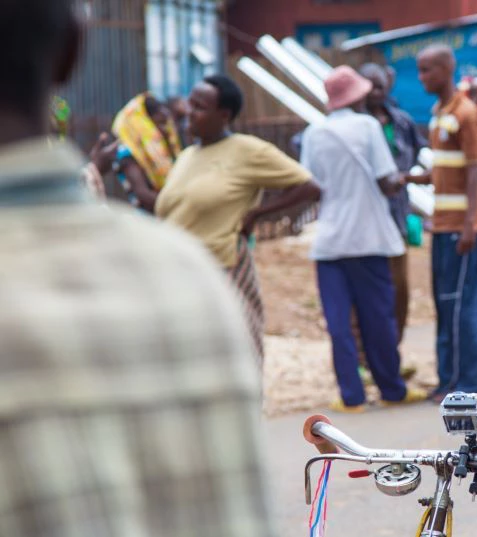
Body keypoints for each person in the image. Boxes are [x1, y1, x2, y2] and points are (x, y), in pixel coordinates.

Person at [0, 2, 277, 535]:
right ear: (74, 50)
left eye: (196, 108)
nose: (186, 116)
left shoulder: (230, 161)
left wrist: (251, 217)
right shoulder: (186, 282)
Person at [156, 75, 321, 363]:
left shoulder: (248, 151)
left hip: (221, 271)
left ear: (224, 115)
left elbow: (309, 187)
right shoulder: (186, 157)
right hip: (178, 277)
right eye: (189, 102)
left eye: (200, 106)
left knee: (233, 359)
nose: (188, 111)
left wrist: (256, 213)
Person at [301, 66, 426, 412]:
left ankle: (351, 397)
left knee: (340, 323)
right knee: (379, 318)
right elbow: (387, 182)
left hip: (329, 241)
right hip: (369, 237)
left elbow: (311, 186)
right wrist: (407, 180)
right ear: (357, 96)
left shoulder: (314, 133)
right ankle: (391, 390)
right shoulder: (369, 127)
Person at [409, 44, 477, 400]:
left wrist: (471, 223)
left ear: (446, 69)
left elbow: (475, 171)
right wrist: (411, 180)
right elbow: (446, 169)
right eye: (420, 70)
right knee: (445, 304)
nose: (422, 77)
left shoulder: (466, 113)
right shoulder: (438, 111)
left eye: (427, 70)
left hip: (463, 227)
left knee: (460, 305)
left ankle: (468, 383)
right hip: (442, 225)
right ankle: (447, 380)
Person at [359, 62, 427, 343]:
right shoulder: (354, 126)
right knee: (367, 291)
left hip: (396, 216)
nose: (376, 90)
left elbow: (421, 154)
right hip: (363, 221)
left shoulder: (401, 121)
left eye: (380, 84)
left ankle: (392, 349)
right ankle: (367, 352)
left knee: (398, 289)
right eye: (369, 84)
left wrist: (410, 178)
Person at [111, 93, 182, 213]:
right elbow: (144, 196)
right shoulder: (128, 154)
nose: (166, 129)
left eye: (166, 124)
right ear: (143, 126)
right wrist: (181, 206)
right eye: (160, 124)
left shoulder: (165, 151)